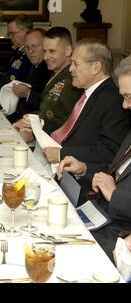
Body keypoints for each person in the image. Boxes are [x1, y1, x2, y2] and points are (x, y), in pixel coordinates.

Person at [56, 55, 131, 262]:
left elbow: (114, 189)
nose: (125, 106)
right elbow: (116, 170)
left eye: (129, 97)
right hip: (99, 216)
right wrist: (83, 169)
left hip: (118, 234)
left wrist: (114, 195)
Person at [43, 39, 129, 166]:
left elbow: (109, 151)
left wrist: (62, 154)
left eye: (75, 64)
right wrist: (39, 124)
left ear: (96, 67)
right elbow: (66, 127)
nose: (70, 69)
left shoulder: (114, 100)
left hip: (82, 175)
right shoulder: (84, 92)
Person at [13, 27, 82, 138]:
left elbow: (67, 121)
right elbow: (46, 110)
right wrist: (28, 119)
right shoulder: (56, 73)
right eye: (45, 51)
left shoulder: (73, 80)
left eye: (52, 51)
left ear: (68, 51)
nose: (46, 57)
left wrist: (34, 131)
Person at [6, 28, 52, 123]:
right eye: (27, 48)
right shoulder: (30, 65)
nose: (30, 51)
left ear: (45, 46)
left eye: (34, 46)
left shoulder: (50, 69)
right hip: (20, 117)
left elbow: (50, 104)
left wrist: (28, 94)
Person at [0, 15, 32, 108]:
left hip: (13, 105)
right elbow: (4, 76)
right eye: (9, 34)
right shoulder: (17, 52)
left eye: (12, 33)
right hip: (1, 99)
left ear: (26, 31)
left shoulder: (31, 56)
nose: (10, 37)